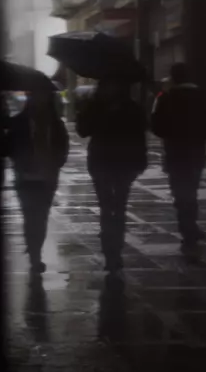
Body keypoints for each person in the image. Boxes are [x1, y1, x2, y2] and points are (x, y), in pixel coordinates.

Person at [77, 79, 147, 274]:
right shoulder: (95, 106)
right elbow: (82, 130)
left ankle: (115, 247)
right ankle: (110, 249)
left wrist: (140, 160)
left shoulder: (131, 108)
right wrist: (89, 110)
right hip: (102, 162)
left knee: (119, 205)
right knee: (107, 206)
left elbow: (139, 135)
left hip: (123, 162)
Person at [152, 63, 206, 248]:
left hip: (175, 152)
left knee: (180, 192)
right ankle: (191, 226)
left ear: (173, 78)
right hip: (196, 151)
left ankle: (187, 227)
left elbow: (156, 127)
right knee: (191, 190)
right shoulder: (203, 96)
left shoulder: (166, 98)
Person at [5, 92, 69, 274]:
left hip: (47, 178)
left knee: (41, 217)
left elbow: (63, 146)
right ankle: (34, 253)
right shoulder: (19, 122)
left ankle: (36, 251)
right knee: (29, 216)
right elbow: (7, 147)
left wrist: (55, 163)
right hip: (25, 177)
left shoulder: (55, 124)